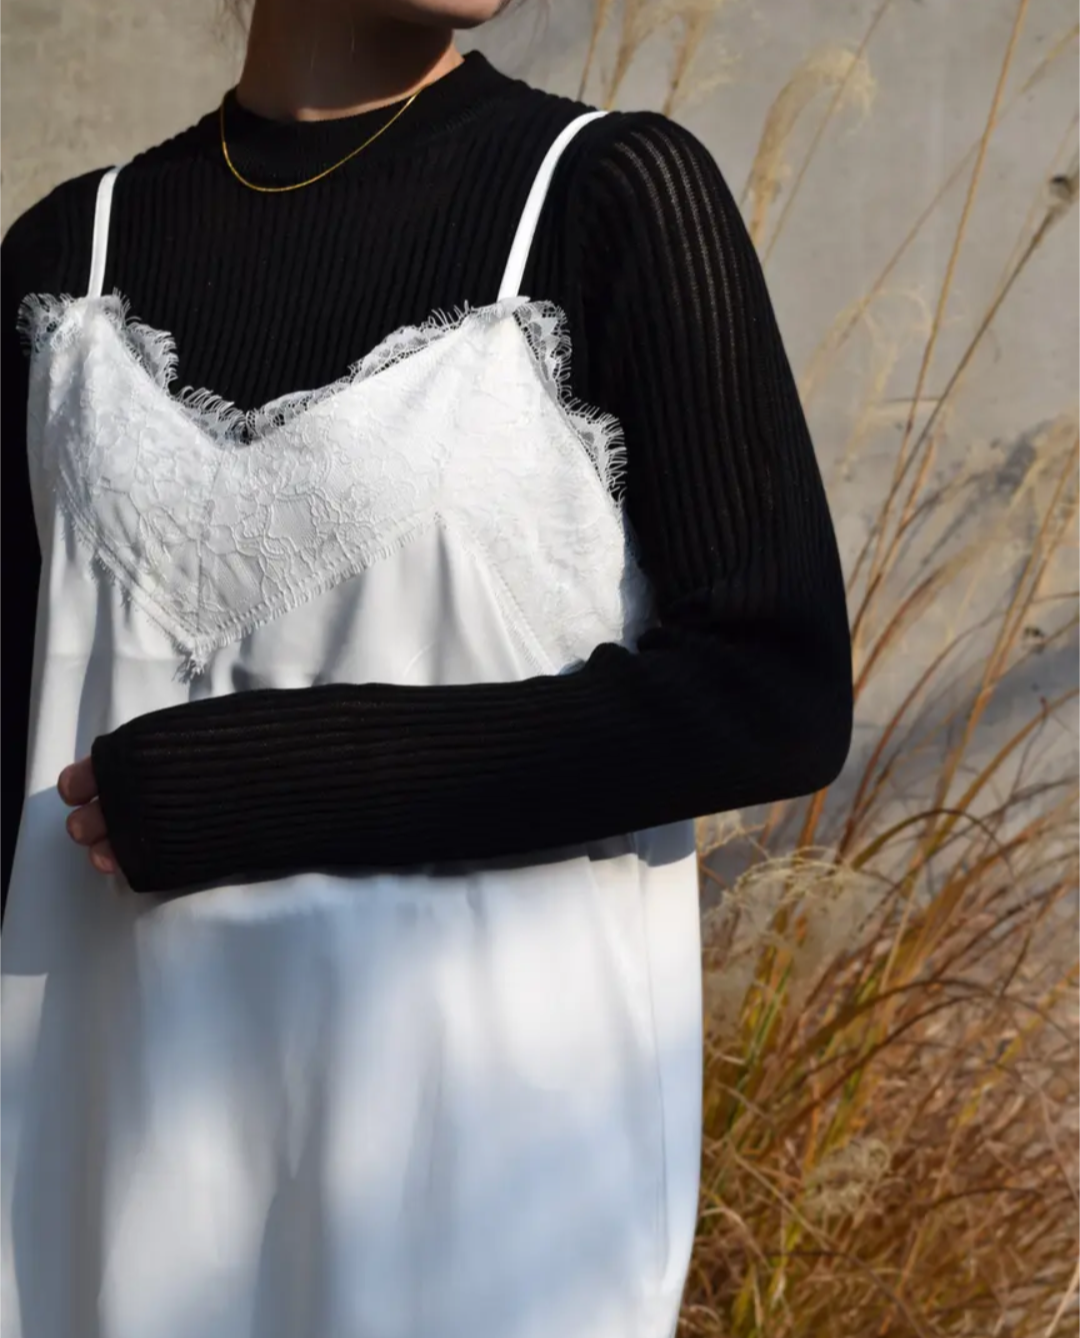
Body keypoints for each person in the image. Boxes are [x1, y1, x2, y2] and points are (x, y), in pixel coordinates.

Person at [0, 0, 853, 1334]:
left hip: (482, 1201)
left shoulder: (604, 196)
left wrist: (290, 775)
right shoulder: (67, 255)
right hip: (103, 1186)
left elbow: (772, 691)